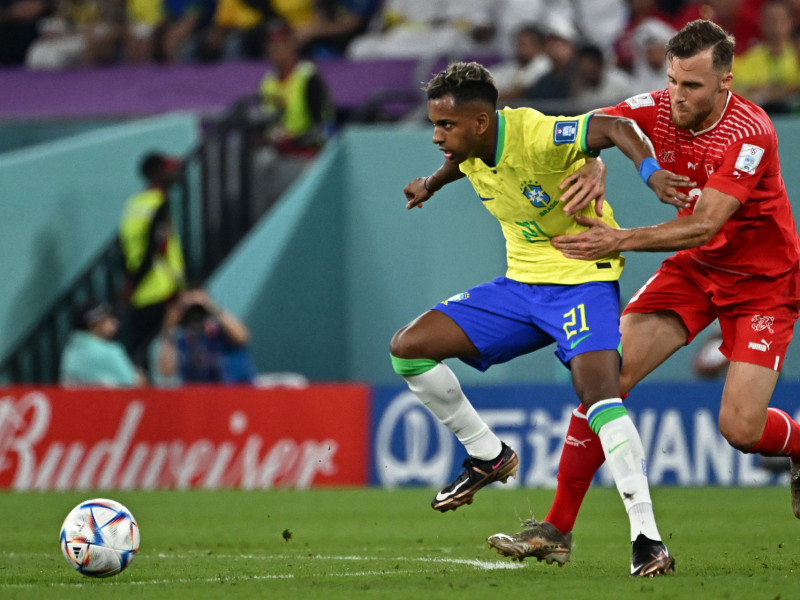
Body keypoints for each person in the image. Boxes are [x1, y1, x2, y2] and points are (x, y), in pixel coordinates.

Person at [489, 19, 800, 572]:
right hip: (695, 272)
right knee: (604, 378)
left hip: (762, 284)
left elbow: (704, 224)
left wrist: (620, 238)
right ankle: (556, 530)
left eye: (693, 86)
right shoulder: (655, 106)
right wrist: (594, 158)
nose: (677, 97)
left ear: (726, 82)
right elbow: (594, 126)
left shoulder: (751, 133)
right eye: (673, 80)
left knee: (742, 431)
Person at [391, 61, 688, 576]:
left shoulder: (538, 133)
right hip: (520, 287)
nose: (436, 134)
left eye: (445, 125)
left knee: (601, 396)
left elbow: (615, 127)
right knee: (408, 349)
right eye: (435, 124)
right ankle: (487, 455)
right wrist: (433, 184)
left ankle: (647, 537)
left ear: (481, 122)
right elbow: (464, 163)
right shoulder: (472, 149)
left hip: (581, 278)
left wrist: (652, 173)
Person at [119, 151, 187, 371]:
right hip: (159, 288)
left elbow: (127, 247)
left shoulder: (134, 203)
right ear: (156, 173)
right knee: (156, 352)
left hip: (141, 291)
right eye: (169, 169)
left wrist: (131, 285)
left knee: (143, 350)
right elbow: (155, 246)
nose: (175, 173)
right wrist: (176, 288)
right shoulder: (158, 203)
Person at [259, 19, 335, 157]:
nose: (277, 48)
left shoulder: (308, 77)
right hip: (279, 152)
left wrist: (295, 139)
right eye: (272, 43)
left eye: (283, 42)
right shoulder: (267, 82)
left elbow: (323, 126)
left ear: (293, 43)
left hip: (307, 151)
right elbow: (266, 122)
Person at [152, 288, 256, 384]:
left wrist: (212, 307)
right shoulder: (182, 341)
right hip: (200, 399)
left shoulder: (223, 334)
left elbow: (242, 337)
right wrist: (169, 328)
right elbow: (166, 372)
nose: (195, 313)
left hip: (237, 395)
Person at [733, 0, 800, 113]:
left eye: (781, 20)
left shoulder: (797, 53)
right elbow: (737, 95)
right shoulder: (749, 58)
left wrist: (778, 90)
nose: (776, 26)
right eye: (771, 20)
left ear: (791, 22)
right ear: (762, 23)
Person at [60, 299, 145, 387]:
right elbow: (133, 384)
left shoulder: (70, 351)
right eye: (107, 318)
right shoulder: (110, 351)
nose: (114, 322)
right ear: (94, 323)